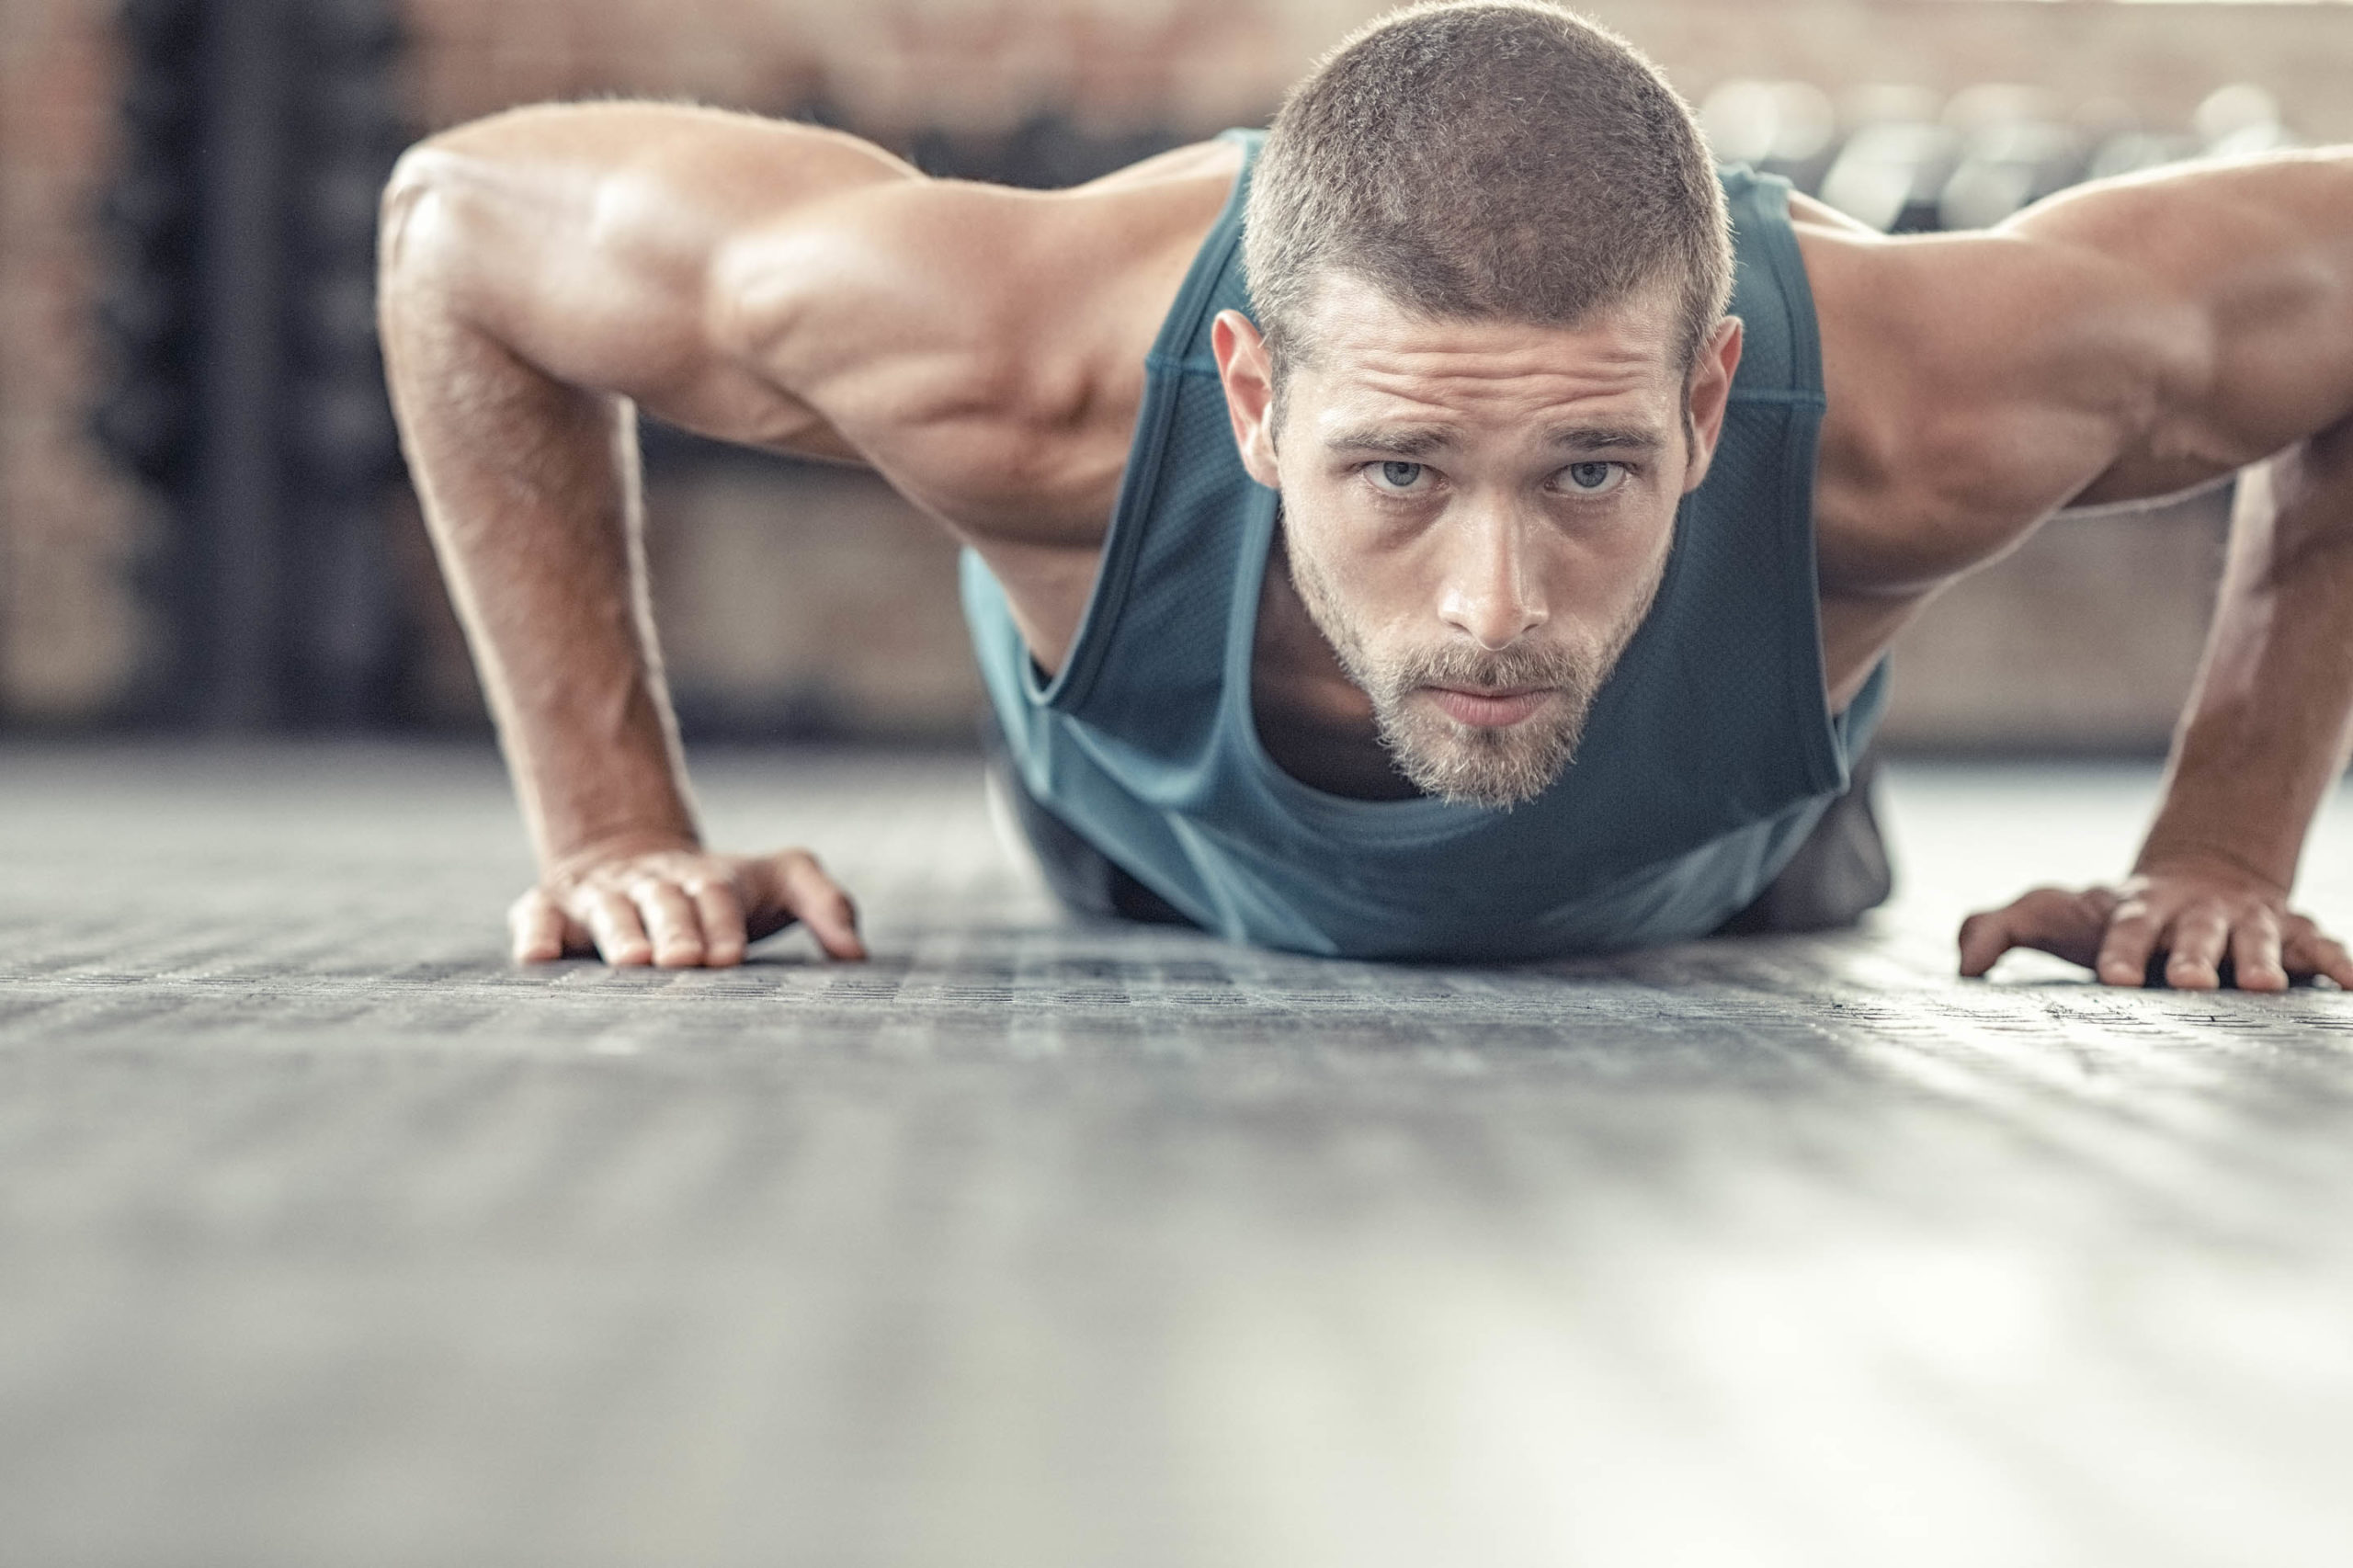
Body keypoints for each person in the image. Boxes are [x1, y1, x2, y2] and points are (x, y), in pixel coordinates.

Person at [378, 0, 2353, 990]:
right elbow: (455, 226)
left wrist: (2226, 845)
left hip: (1729, 867)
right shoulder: (1012, 365)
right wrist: (613, 825)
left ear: (1707, 389)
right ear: (1249, 395)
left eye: (1589, 466)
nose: (1492, 598)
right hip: (1149, 850)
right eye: (1396, 467)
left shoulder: (1920, 409)